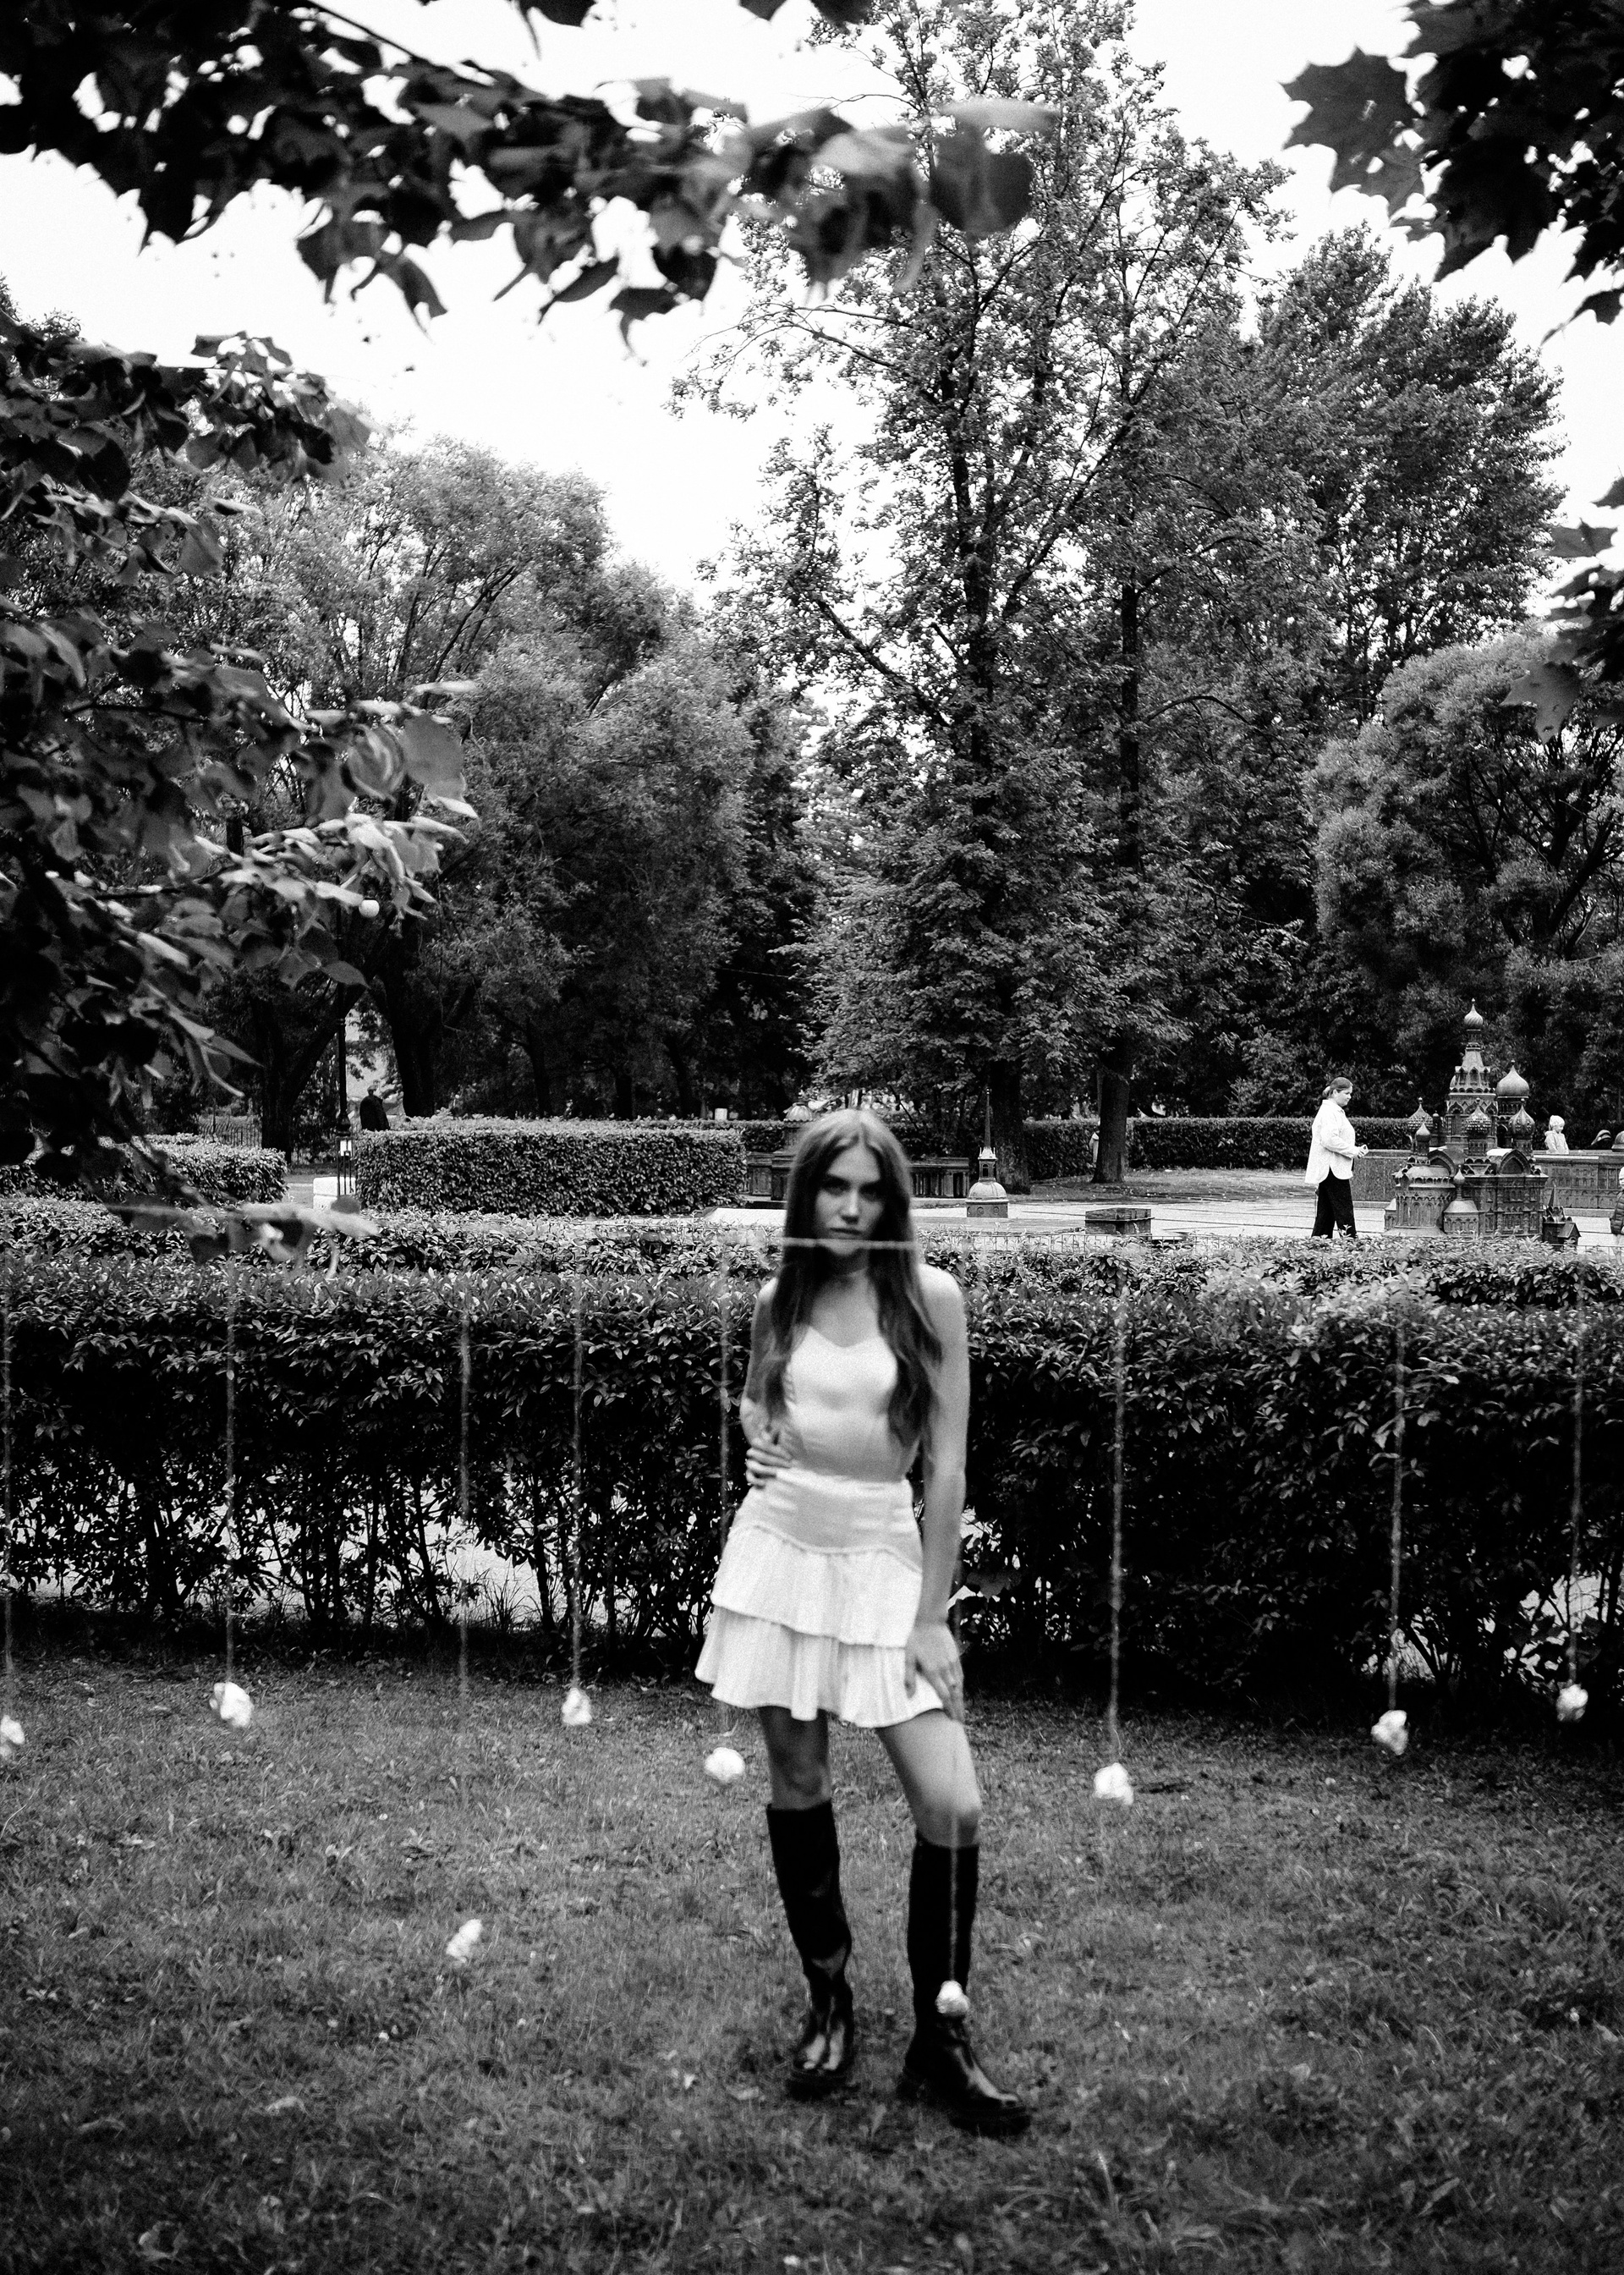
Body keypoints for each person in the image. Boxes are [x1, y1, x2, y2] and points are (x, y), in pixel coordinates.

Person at [695, 1109, 1028, 2135]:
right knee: (799, 1778)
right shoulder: (780, 1298)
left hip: (884, 1560)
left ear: (892, 1199)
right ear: (808, 1195)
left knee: (954, 1801)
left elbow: (948, 1470)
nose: (849, 1207)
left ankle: (941, 2034)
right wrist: (756, 1438)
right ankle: (830, 2001)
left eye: (869, 1190)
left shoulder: (930, 1297)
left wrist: (932, 1617)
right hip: (782, 1556)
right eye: (833, 1187)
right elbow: (759, 1405)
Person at [1304, 1074, 1366, 1240]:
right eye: (1347, 1093)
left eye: (1350, 1093)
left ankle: (1319, 1241)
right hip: (1333, 1168)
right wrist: (1353, 1151)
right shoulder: (1329, 1112)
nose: (1350, 1097)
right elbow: (1329, 1140)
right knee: (1344, 1209)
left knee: (1326, 1211)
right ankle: (1351, 1243)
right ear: (1335, 1092)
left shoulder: (1332, 1111)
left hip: (1331, 1168)